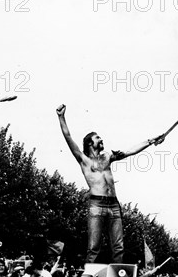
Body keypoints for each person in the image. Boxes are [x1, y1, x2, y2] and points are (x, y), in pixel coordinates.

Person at [56, 104, 164, 264]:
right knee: (94, 246)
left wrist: (150, 141)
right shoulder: (84, 160)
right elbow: (68, 137)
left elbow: (130, 151)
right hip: (96, 204)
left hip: (114, 204)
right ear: (90, 143)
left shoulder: (107, 156)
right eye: (98, 138)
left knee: (119, 246)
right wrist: (61, 117)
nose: (101, 139)